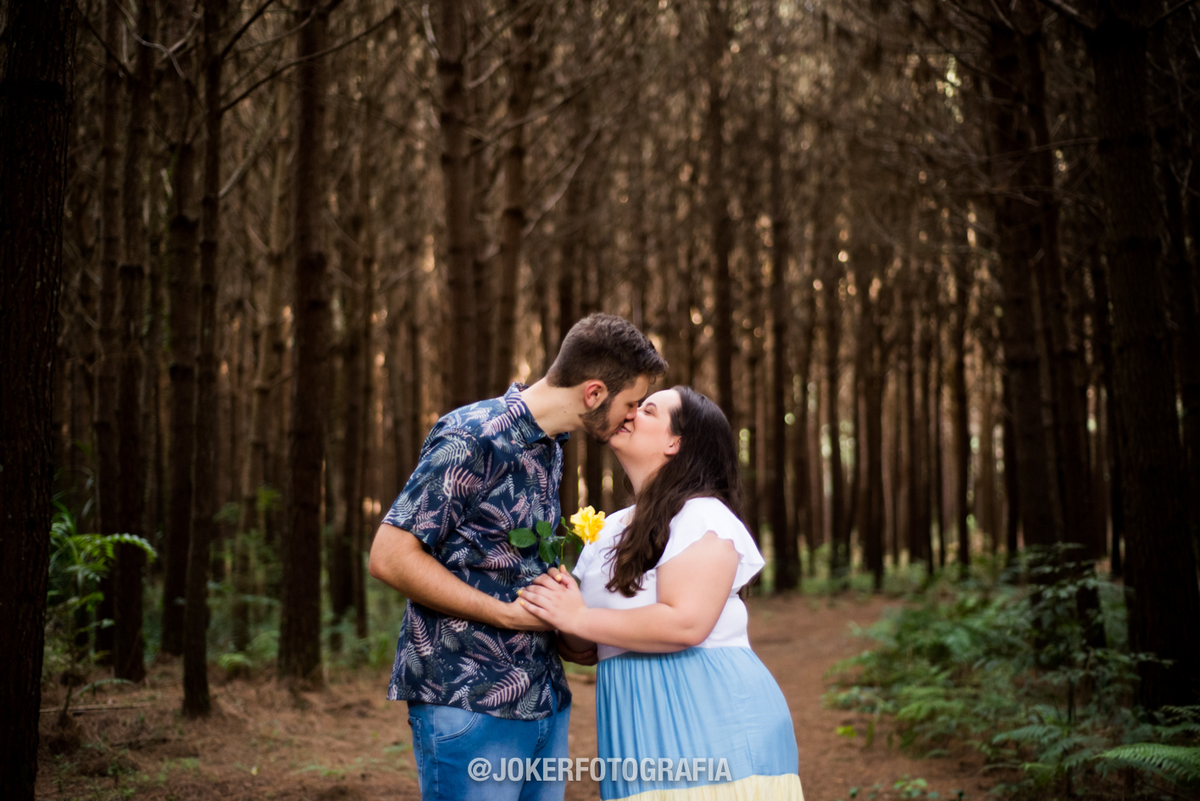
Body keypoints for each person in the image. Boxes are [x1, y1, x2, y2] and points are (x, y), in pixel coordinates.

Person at [368, 313, 667, 801]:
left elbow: (505, 560)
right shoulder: (472, 435)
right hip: (468, 701)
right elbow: (389, 556)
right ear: (594, 394)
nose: (633, 416)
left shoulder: (551, 445)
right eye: (631, 404)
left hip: (543, 700)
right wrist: (504, 614)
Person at [518, 386, 805, 801]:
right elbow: (584, 642)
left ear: (676, 442)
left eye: (647, 409)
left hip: (715, 730)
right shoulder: (610, 530)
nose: (629, 413)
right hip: (635, 737)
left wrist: (579, 618)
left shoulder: (703, 514)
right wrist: (563, 609)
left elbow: (684, 622)